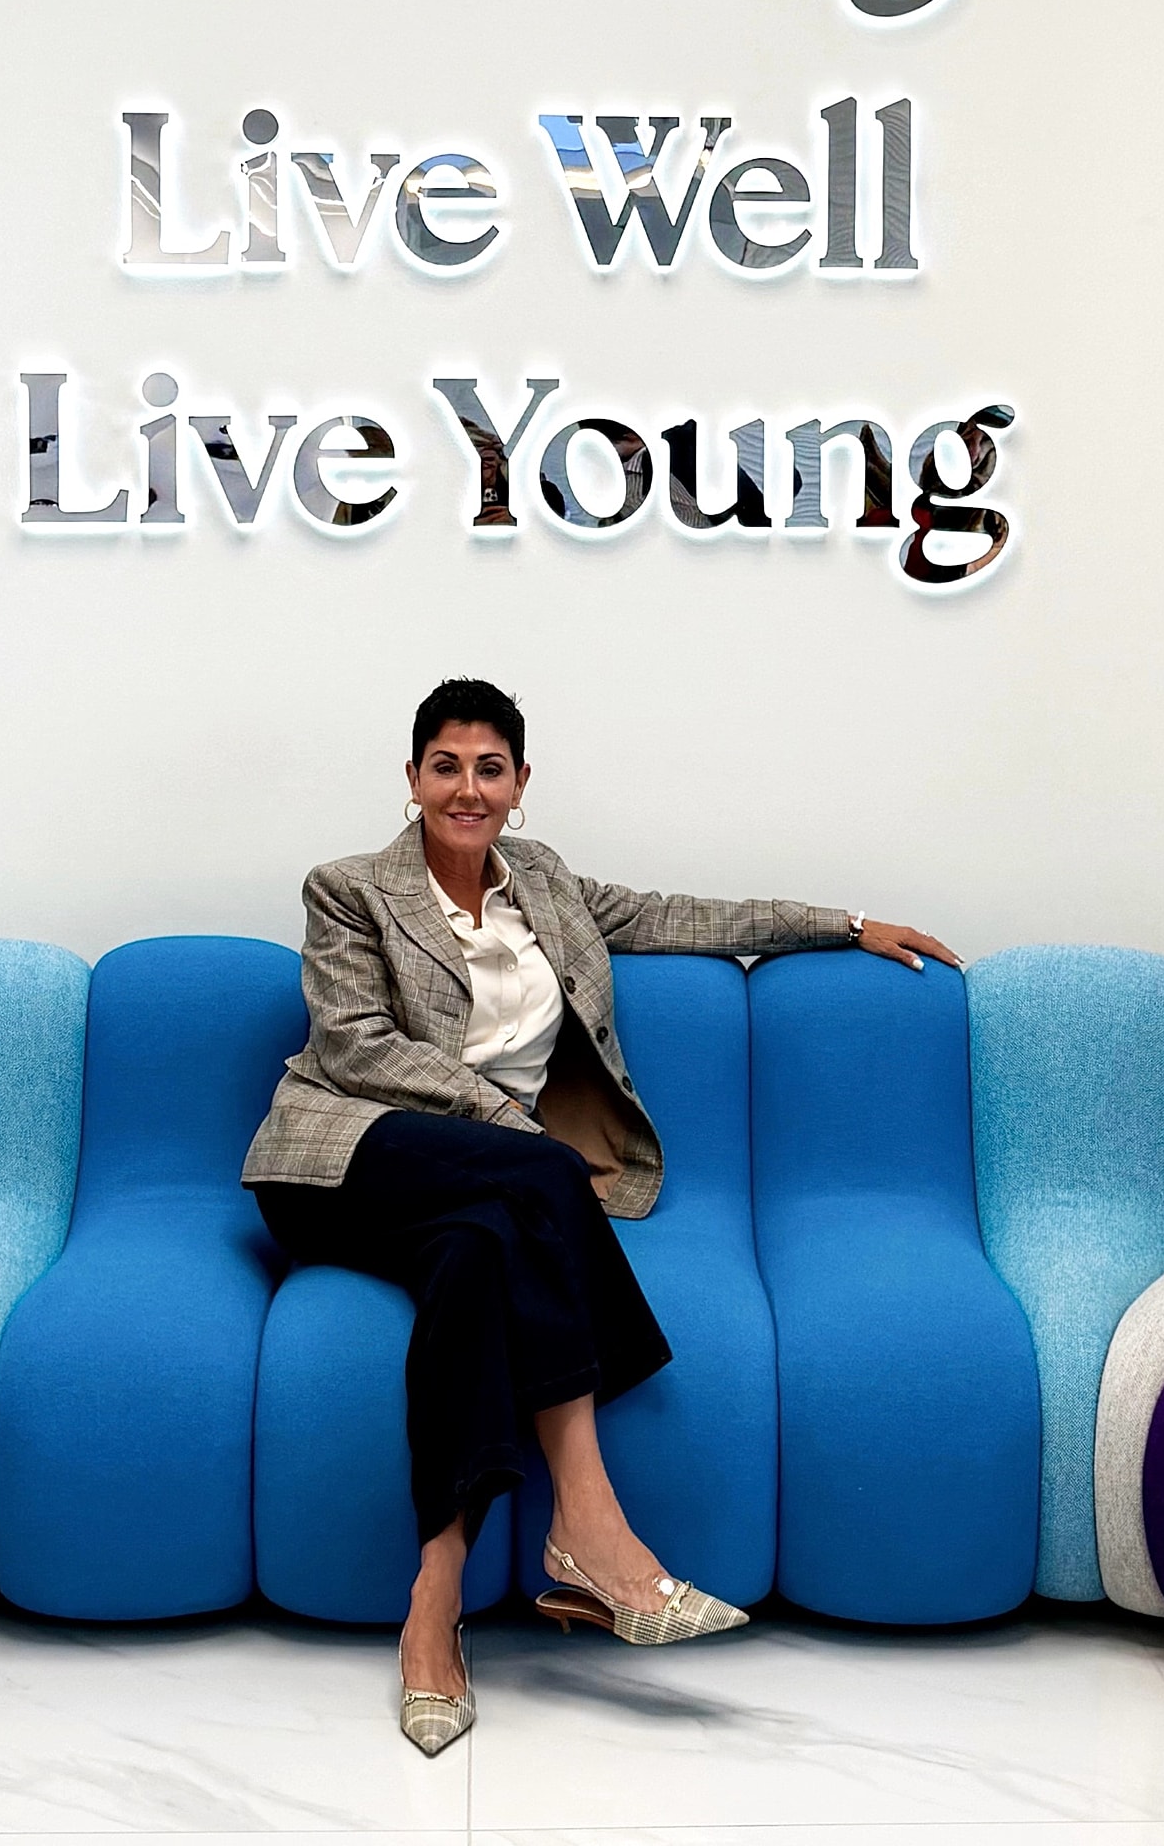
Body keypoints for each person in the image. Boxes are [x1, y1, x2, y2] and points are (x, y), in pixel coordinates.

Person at [242, 677, 961, 1754]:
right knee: (539, 1178)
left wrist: (848, 924)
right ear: (410, 779)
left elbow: (689, 917)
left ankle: (429, 1618)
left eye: (489, 768)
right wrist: (510, 1127)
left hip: (476, 1194)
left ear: (520, 786)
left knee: (479, 1259)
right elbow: (356, 1048)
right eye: (445, 765)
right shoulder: (348, 889)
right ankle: (592, 1532)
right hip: (340, 1160)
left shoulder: (547, 886)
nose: (466, 787)